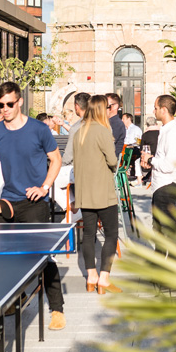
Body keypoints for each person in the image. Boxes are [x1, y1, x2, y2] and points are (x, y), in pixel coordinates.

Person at [0, 81, 66, 331]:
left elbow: (56, 159)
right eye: (1, 105)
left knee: (42, 257)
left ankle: (57, 309)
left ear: (20, 102)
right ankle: (13, 298)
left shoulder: (39, 129)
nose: (5, 109)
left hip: (34, 204)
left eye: (9, 104)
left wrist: (43, 187)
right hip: (6, 202)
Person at [72, 95, 120, 294]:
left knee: (89, 235)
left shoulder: (79, 132)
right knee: (111, 234)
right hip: (103, 192)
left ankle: (91, 277)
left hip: (85, 193)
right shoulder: (103, 132)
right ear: (102, 110)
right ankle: (104, 279)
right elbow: (112, 161)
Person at [141, 95, 176, 234]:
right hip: (161, 184)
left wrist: (150, 160)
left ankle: (172, 256)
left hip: (167, 185)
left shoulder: (172, 132)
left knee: (167, 229)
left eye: (156, 108)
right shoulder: (166, 129)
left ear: (164, 110)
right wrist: (152, 162)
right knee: (158, 229)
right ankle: (159, 255)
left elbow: (168, 165)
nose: (154, 111)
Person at [137, 116, 160, 187]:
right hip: (158, 156)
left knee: (136, 161)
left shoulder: (145, 135)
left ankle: (139, 180)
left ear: (147, 124)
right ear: (156, 123)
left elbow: (141, 149)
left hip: (149, 157)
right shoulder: (160, 132)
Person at [106, 92, 126, 158]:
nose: (104, 109)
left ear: (115, 106)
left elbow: (108, 144)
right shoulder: (109, 121)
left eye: (107, 106)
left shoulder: (117, 124)